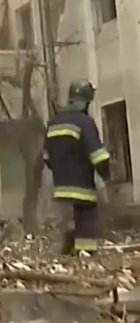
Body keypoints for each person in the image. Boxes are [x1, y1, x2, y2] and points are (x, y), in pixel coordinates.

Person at [45, 79, 111, 256]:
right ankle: (85, 257)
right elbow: (100, 156)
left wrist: (63, 170)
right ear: (87, 101)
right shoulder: (85, 123)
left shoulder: (53, 123)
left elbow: (46, 157)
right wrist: (106, 177)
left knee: (70, 219)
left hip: (60, 187)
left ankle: (68, 251)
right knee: (86, 219)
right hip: (82, 187)